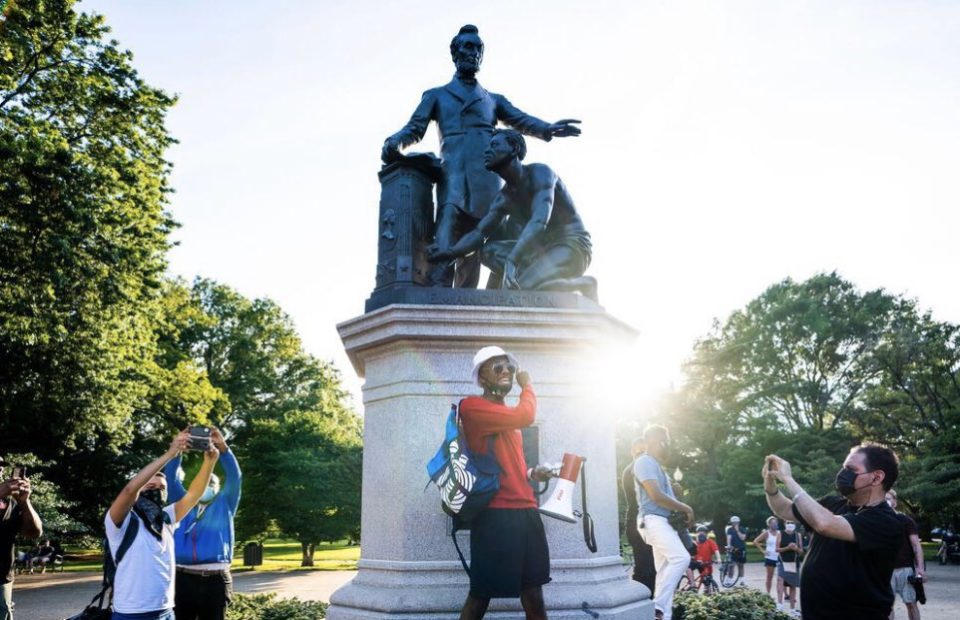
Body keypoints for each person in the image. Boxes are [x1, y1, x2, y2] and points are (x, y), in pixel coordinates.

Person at [384, 24, 581, 288]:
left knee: (485, 257)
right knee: (442, 256)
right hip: (454, 185)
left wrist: (546, 128)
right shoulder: (437, 96)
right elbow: (415, 128)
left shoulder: (493, 100)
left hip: (490, 186)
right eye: (467, 47)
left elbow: (520, 120)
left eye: (478, 48)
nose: (472, 53)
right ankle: (434, 314)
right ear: (455, 53)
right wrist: (395, 142)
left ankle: (488, 313)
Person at [427, 130, 596, 299]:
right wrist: (449, 252)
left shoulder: (540, 174)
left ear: (514, 149)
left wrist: (512, 260)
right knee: (487, 251)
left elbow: (539, 221)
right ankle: (534, 277)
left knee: (524, 288)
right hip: (539, 252)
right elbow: (479, 234)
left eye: (494, 145)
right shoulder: (504, 198)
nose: (486, 151)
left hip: (571, 245)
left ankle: (583, 284)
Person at [457, 345, 552, 620]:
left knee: (534, 594)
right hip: (496, 514)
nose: (507, 372)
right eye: (497, 367)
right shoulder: (472, 406)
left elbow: (515, 467)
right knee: (481, 595)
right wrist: (528, 385)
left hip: (526, 511)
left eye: (510, 368)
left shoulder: (506, 417)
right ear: (482, 377)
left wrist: (534, 474)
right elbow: (527, 415)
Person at [763, 443, 904, 620]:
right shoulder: (833, 504)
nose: (843, 474)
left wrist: (789, 480)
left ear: (876, 478)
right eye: (843, 467)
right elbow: (785, 510)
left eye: (851, 469)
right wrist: (770, 486)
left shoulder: (886, 521)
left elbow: (825, 524)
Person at [105, 430, 219, 620]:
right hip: (131, 613)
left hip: (166, 611)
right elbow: (129, 490)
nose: (158, 491)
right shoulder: (120, 521)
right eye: (151, 487)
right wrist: (170, 454)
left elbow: (194, 495)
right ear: (140, 491)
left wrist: (210, 462)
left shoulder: (166, 518)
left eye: (162, 488)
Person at [163, 427, 241, 620]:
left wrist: (222, 447)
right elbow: (170, 478)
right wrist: (178, 448)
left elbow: (235, 476)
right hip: (182, 578)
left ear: (218, 488)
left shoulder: (225, 504)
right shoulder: (181, 503)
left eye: (212, 484)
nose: (207, 487)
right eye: (203, 484)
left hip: (216, 579)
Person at [633, 425, 694, 620]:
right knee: (681, 558)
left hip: (662, 521)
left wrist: (675, 493)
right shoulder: (644, 461)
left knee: (664, 570)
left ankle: (662, 616)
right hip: (653, 520)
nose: (668, 445)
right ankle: (657, 607)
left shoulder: (656, 465)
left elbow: (664, 496)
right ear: (654, 441)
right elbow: (655, 495)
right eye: (665, 441)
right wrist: (686, 508)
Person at [0, 456, 42, 620]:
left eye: (1, 466)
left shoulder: (9, 503)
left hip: (2, 580)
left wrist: (25, 503)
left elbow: (34, 532)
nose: (0, 469)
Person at [622, 437, 656, 593]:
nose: (643, 455)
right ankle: (644, 607)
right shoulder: (635, 469)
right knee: (646, 569)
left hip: (640, 523)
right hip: (640, 524)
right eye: (639, 451)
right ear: (632, 451)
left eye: (645, 451)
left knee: (649, 568)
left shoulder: (636, 468)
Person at [886, 490, 924, 620]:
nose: (886, 502)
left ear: (895, 502)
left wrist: (920, 569)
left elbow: (916, 545)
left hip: (906, 569)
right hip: (885, 571)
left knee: (911, 603)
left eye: (888, 498)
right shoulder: (876, 523)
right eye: (883, 499)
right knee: (887, 606)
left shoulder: (906, 521)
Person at [776, 520, 802, 616]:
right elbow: (777, 549)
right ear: (784, 524)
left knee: (792, 585)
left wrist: (795, 548)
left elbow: (800, 551)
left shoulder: (797, 535)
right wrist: (787, 547)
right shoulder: (780, 534)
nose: (790, 524)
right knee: (780, 581)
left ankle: (792, 609)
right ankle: (779, 606)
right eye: (788, 523)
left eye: (792, 523)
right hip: (782, 561)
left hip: (794, 563)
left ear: (795, 524)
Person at [753, 516, 780, 599]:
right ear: (769, 524)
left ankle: (783, 595)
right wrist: (763, 551)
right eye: (773, 523)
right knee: (769, 576)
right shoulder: (767, 533)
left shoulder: (780, 533)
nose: (775, 524)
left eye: (776, 522)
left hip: (779, 557)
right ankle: (768, 594)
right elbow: (755, 541)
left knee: (781, 578)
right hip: (770, 557)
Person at [691, 525, 720, 593]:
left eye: (703, 532)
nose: (701, 534)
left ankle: (707, 590)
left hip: (707, 563)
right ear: (697, 533)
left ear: (706, 534)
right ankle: (692, 583)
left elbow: (716, 550)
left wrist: (718, 558)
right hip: (697, 563)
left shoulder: (710, 542)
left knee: (708, 579)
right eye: (699, 532)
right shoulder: (695, 543)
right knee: (690, 568)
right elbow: (691, 553)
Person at [725, 516, 747, 585]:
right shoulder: (729, 530)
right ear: (731, 523)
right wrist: (729, 546)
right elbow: (729, 538)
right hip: (733, 549)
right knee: (731, 565)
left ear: (738, 522)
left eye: (736, 522)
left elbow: (743, 538)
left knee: (741, 565)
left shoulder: (742, 529)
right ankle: (729, 580)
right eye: (733, 523)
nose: (734, 524)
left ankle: (741, 580)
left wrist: (737, 530)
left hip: (741, 549)